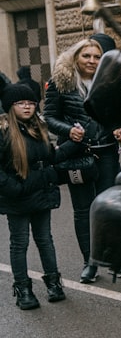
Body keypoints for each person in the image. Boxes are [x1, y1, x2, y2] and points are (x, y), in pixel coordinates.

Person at [44, 38, 121, 282]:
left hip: (106, 154)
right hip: (77, 156)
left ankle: (114, 259)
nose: (92, 60)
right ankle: (89, 263)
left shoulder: (110, 81)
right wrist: (68, 130)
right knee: (83, 211)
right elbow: (49, 117)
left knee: (110, 208)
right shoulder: (61, 83)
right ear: (76, 57)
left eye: (96, 56)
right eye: (87, 56)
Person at [0, 82, 65, 309]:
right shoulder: (4, 131)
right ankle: (23, 290)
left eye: (30, 103)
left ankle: (54, 284)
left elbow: (50, 158)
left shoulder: (40, 128)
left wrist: (75, 144)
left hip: (41, 193)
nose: (27, 107)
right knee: (20, 243)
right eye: (20, 103)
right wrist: (14, 188)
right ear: (10, 106)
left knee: (45, 240)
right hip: (17, 198)